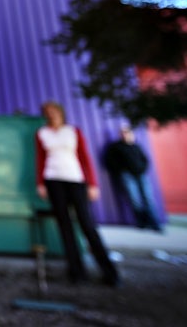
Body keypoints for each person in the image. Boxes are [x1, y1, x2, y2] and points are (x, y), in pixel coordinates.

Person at [35, 100, 120, 286]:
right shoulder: (42, 133)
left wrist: (92, 184)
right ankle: (76, 273)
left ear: (60, 112)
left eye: (53, 111)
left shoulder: (73, 131)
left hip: (75, 180)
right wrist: (40, 183)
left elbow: (84, 157)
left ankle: (110, 273)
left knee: (87, 224)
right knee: (64, 226)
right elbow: (40, 159)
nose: (51, 114)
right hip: (53, 180)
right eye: (47, 111)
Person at [103, 123, 163, 232]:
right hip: (127, 176)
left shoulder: (136, 146)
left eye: (127, 132)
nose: (125, 134)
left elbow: (145, 160)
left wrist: (142, 169)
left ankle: (155, 224)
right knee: (135, 199)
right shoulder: (116, 147)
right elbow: (110, 161)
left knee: (148, 198)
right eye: (123, 133)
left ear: (131, 134)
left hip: (141, 175)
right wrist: (121, 170)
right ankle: (141, 223)